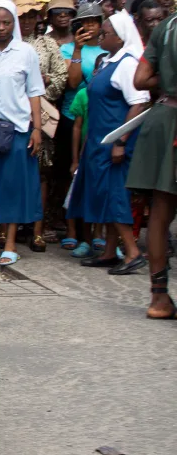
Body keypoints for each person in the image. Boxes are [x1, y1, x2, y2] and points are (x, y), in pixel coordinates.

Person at [69, 17, 150, 273]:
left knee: (115, 196)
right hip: (98, 142)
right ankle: (108, 252)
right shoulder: (108, 62)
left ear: (120, 37)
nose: (100, 37)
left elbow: (139, 102)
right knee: (105, 195)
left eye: (105, 33)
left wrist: (120, 141)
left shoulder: (127, 65)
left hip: (114, 145)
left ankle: (132, 252)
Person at [0, 0, 46, 266]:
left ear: (14, 22)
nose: (1, 28)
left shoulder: (26, 53)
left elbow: (34, 92)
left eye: (6, 22)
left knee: (11, 187)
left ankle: (11, 242)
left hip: (17, 129)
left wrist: (37, 129)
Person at [129, 1, 177, 317]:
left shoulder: (167, 26)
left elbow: (141, 78)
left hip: (164, 117)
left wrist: (167, 83)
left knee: (160, 213)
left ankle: (158, 299)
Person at [15, 0, 68, 252]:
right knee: (11, 173)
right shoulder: (7, 43)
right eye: (22, 16)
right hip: (12, 117)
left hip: (41, 115)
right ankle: (10, 229)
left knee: (41, 175)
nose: (26, 21)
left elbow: (62, 76)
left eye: (31, 16)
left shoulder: (47, 45)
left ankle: (37, 229)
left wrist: (47, 82)